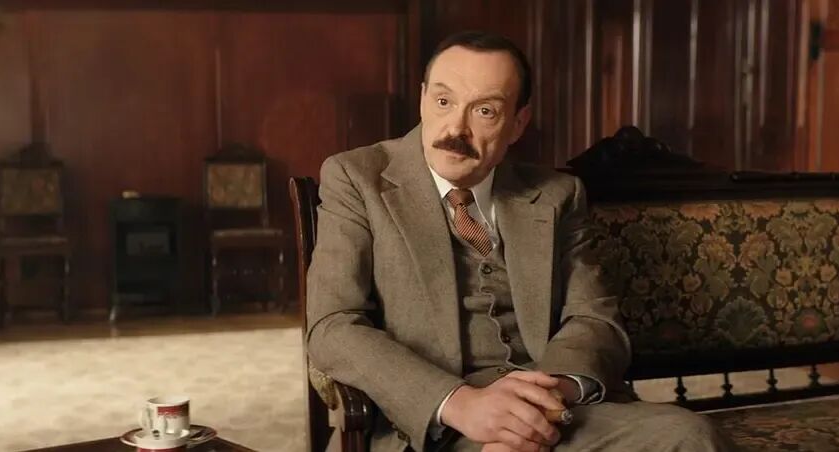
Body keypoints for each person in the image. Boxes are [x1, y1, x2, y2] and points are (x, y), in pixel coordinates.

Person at [305, 30, 731, 452]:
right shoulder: (357, 178)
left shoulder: (557, 194)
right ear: (422, 98)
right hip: (433, 424)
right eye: (443, 101)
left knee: (690, 435)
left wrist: (542, 402)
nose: (456, 128)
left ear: (518, 123)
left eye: (485, 111)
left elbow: (594, 317)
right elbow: (333, 326)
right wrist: (460, 404)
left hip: (554, 406)